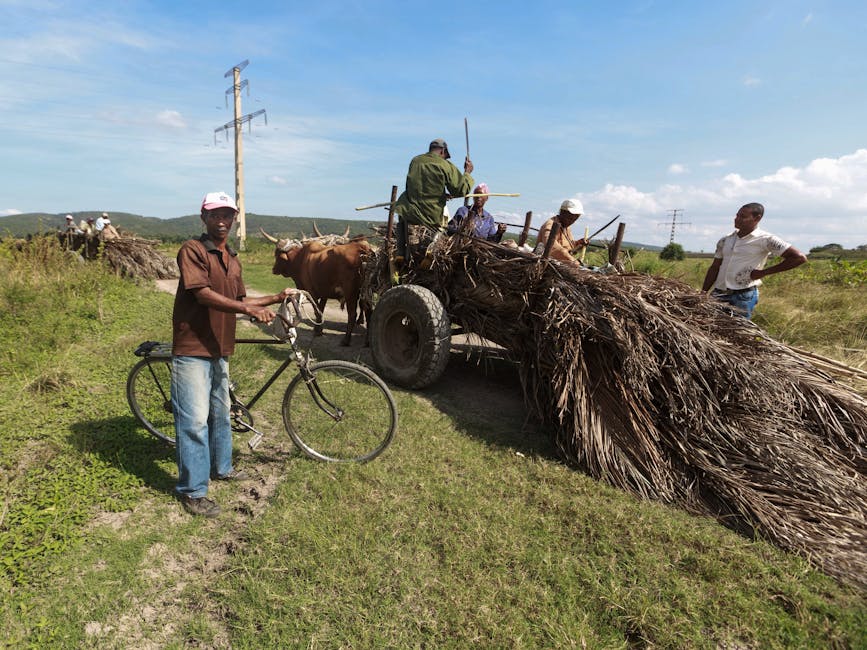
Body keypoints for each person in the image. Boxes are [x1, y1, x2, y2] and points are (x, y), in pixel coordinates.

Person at [172, 191, 297, 517]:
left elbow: (243, 300)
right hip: (193, 348)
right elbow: (201, 294)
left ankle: (222, 468)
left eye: (228, 215)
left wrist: (274, 297)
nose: (222, 221)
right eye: (216, 215)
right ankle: (193, 491)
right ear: (204, 217)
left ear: (234, 218)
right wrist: (246, 308)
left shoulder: (233, 259)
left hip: (221, 347)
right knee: (194, 422)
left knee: (221, 413)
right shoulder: (193, 250)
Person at [701, 202, 807, 319]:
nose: (737, 219)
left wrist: (763, 273)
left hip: (743, 295)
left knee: (738, 332)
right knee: (708, 328)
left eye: (743, 216)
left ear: (757, 218)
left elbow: (799, 258)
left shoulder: (766, 239)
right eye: (737, 215)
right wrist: (703, 292)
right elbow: (715, 267)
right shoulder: (726, 240)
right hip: (719, 293)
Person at [395, 138, 475, 241]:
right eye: (445, 156)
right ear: (442, 151)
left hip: (408, 213)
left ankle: (401, 253)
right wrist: (467, 173)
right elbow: (460, 190)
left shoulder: (415, 161)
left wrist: (441, 194)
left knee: (402, 214)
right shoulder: (444, 164)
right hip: (430, 217)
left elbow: (418, 186)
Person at [534, 199, 589, 267]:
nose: (571, 222)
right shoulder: (550, 225)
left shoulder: (566, 227)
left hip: (561, 263)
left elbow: (568, 247)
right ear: (562, 212)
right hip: (548, 264)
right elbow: (553, 248)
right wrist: (573, 261)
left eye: (574, 220)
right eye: (570, 218)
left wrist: (578, 244)